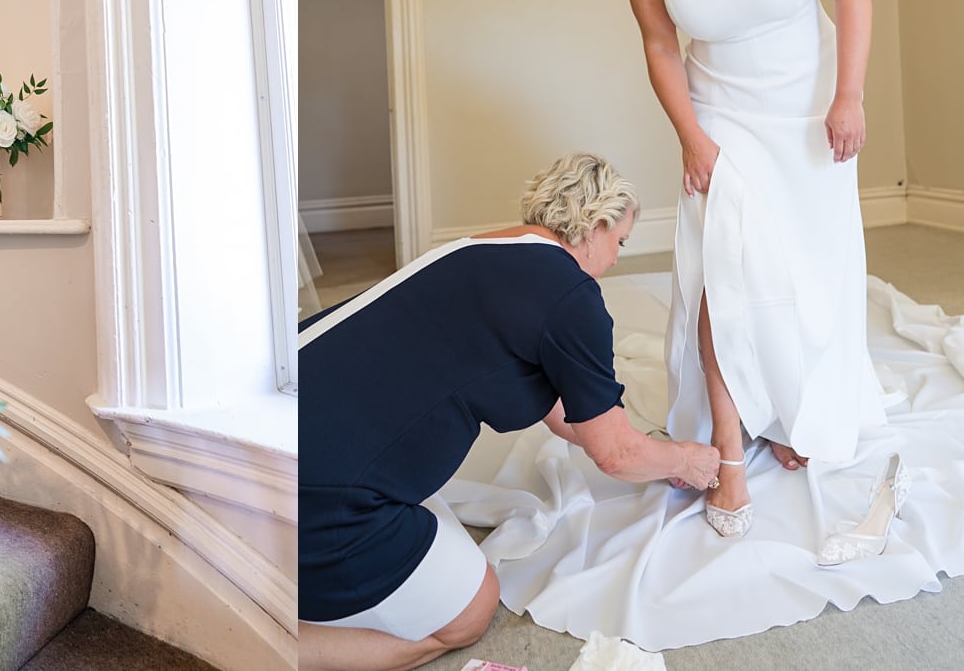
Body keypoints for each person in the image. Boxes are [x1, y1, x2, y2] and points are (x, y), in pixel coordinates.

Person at [297, 153, 721, 671]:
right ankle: (268, 642)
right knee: (470, 612)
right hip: (323, 502)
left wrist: (641, 440)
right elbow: (615, 456)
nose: (615, 260)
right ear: (597, 225)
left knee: (437, 529)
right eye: (620, 242)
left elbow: (566, 412)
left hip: (281, 428)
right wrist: (685, 461)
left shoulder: (475, 248)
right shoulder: (572, 296)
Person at [616, 0, 886, 538]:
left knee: (803, 272)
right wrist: (691, 136)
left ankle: (788, 407)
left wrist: (850, 95)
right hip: (721, 120)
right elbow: (662, 49)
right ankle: (729, 448)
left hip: (809, 116)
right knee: (721, 274)